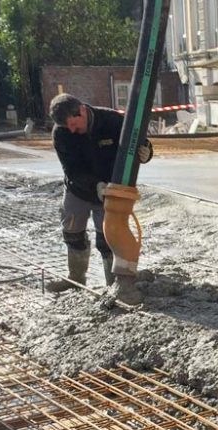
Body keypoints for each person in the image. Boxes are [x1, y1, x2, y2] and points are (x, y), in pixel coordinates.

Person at [47, 93, 153, 305]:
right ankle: (76, 277)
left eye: (75, 125)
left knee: (108, 238)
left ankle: (113, 285)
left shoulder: (112, 121)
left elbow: (140, 141)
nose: (73, 131)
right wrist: (95, 185)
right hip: (79, 189)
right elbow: (72, 169)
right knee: (71, 231)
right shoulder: (61, 133)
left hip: (111, 191)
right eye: (69, 128)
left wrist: (147, 152)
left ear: (83, 110)